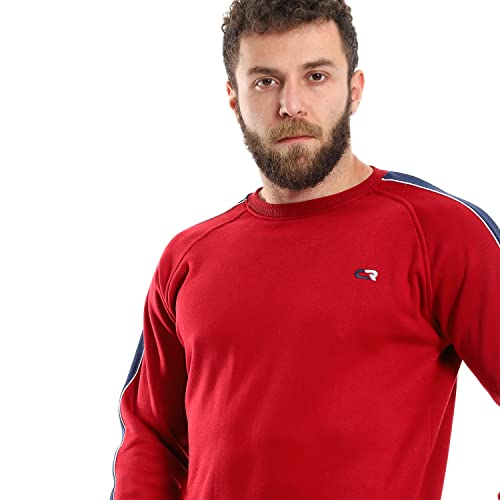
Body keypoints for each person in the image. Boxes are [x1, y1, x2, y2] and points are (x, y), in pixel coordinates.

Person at [110, 1, 500, 499]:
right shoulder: (188, 257)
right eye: (265, 81)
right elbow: (150, 437)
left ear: (354, 90)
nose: (291, 104)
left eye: (316, 76)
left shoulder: (440, 232)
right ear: (234, 98)